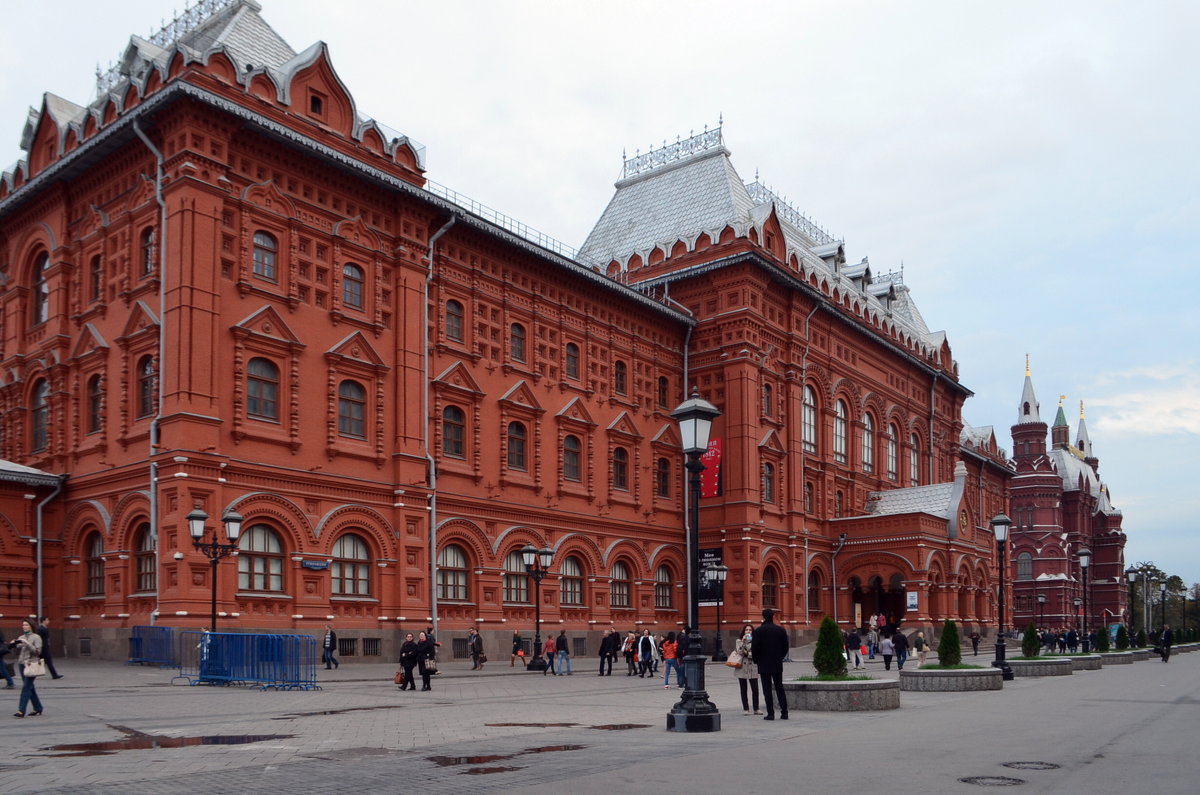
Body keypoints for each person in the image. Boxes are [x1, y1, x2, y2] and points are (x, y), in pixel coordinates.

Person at [751, 608, 789, 721]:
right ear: (773, 616)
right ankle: (784, 713)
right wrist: (780, 657)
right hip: (777, 663)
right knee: (779, 688)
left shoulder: (758, 631)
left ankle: (770, 714)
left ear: (763, 617)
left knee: (767, 689)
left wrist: (756, 660)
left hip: (764, 664)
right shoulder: (780, 630)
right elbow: (785, 646)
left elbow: (755, 648)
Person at [11, 619, 44, 717]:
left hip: (32, 664)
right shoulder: (21, 637)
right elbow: (18, 648)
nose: (24, 627)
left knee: (26, 687)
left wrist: (27, 643)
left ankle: (21, 710)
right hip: (22, 664)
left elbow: (37, 652)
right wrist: (13, 644)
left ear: (31, 626)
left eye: (26, 625)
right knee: (30, 687)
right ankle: (38, 708)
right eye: (23, 625)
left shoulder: (36, 637)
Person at [733, 624, 761, 715]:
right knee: (743, 689)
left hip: (753, 667)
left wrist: (747, 653)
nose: (748, 631)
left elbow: (755, 653)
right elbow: (740, 651)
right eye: (746, 630)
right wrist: (743, 641)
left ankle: (756, 708)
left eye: (750, 630)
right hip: (742, 667)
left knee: (755, 689)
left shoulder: (756, 641)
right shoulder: (739, 641)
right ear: (743, 631)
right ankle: (746, 709)